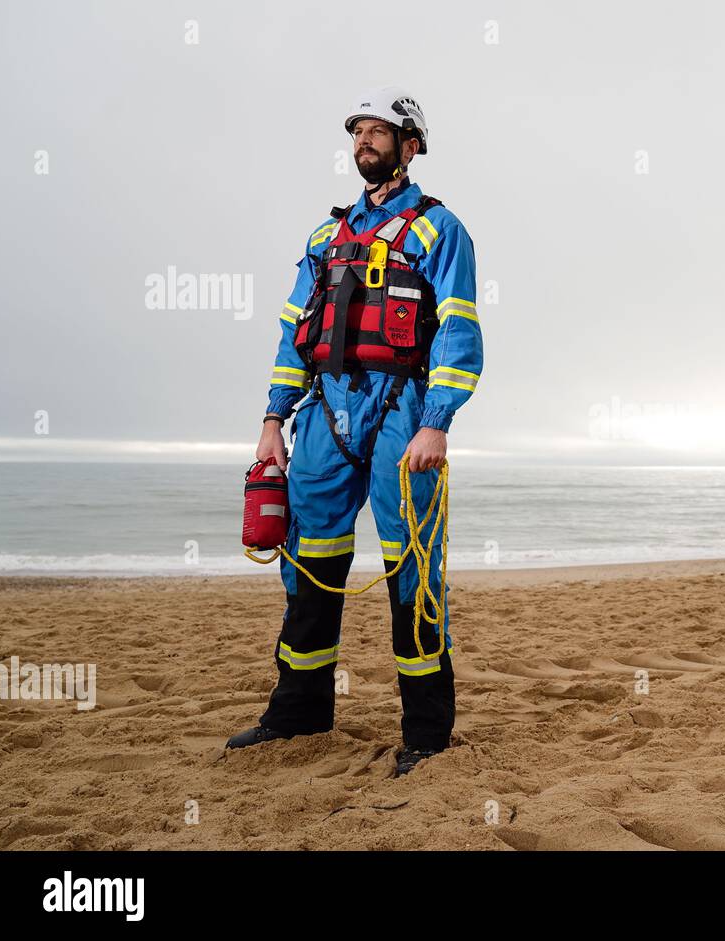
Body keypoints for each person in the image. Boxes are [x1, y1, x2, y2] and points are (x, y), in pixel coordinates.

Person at [226, 87, 483, 777]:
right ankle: (298, 713)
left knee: (415, 572)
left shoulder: (439, 229)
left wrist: (435, 424)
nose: (364, 141)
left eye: (379, 131)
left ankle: (426, 734)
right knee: (308, 563)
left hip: (403, 417)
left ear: (412, 144)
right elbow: (292, 337)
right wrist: (273, 421)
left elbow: (459, 331)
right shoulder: (324, 238)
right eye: (359, 131)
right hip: (323, 421)